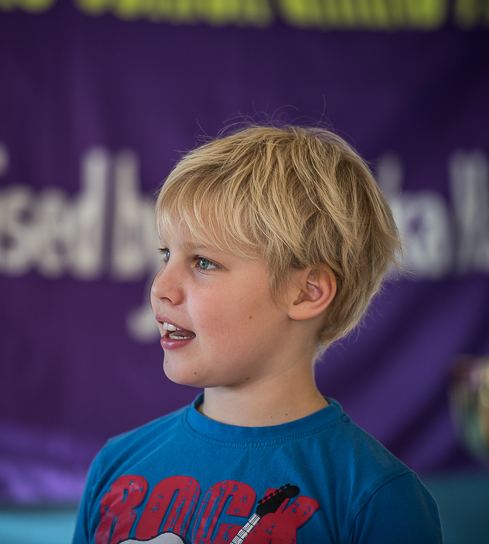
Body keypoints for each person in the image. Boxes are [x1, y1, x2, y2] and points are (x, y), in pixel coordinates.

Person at [72, 125, 443, 544]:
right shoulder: (116, 467)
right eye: (166, 254)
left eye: (203, 262)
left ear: (306, 292)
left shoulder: (378, 498)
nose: (160, 287)